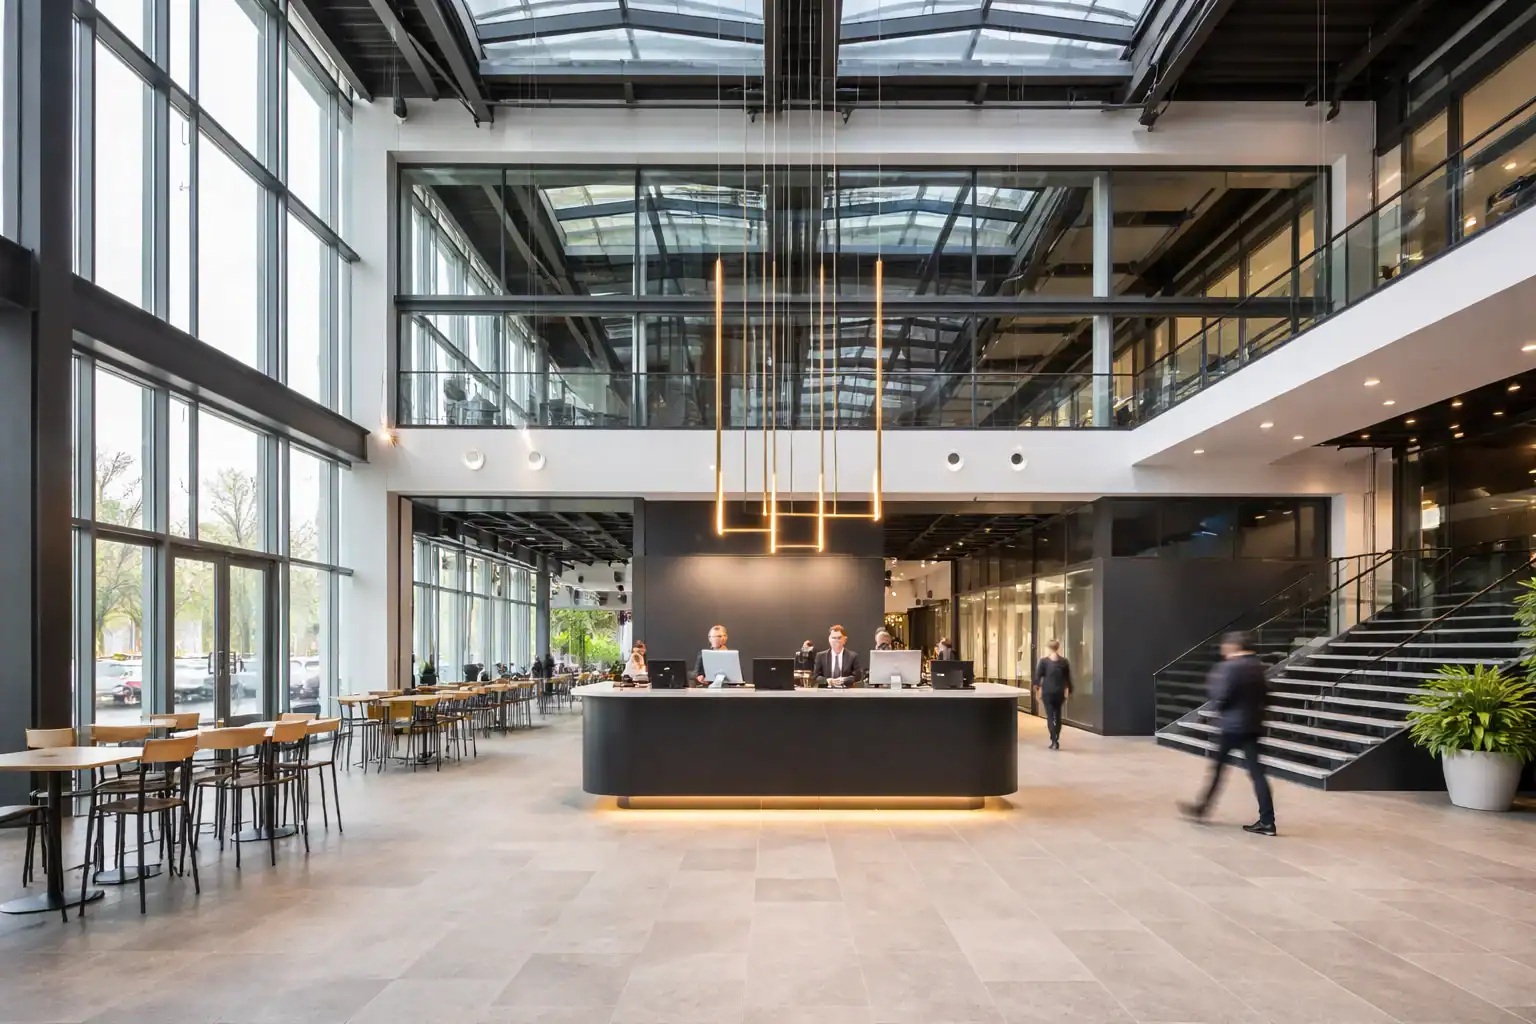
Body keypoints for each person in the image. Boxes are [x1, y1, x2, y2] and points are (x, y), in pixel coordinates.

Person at [1179, 631, 1277, 836]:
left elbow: (1221, 697)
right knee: (1258, 774)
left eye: (1226, 644)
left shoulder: (1230, 667)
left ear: (1234, 646)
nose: (1223, 648)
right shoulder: (1258, 667)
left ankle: (1201, 809)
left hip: (1231, 727)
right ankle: (1268, 821)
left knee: (1217, 770)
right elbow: (1267, 697)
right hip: (1253, 726)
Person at [1032, 639, 1072, 751]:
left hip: (1048, 691)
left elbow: (1038, 677)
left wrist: (1037, 690)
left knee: (1050, 716)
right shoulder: (1064, 662)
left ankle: (1054, 740)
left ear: (1048, 648)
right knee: (1057, 715)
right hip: (1059, 692)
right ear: (1058, 647)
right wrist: (1068, 690)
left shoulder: (1044, 662)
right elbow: (1067, 678)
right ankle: (1056, 737)